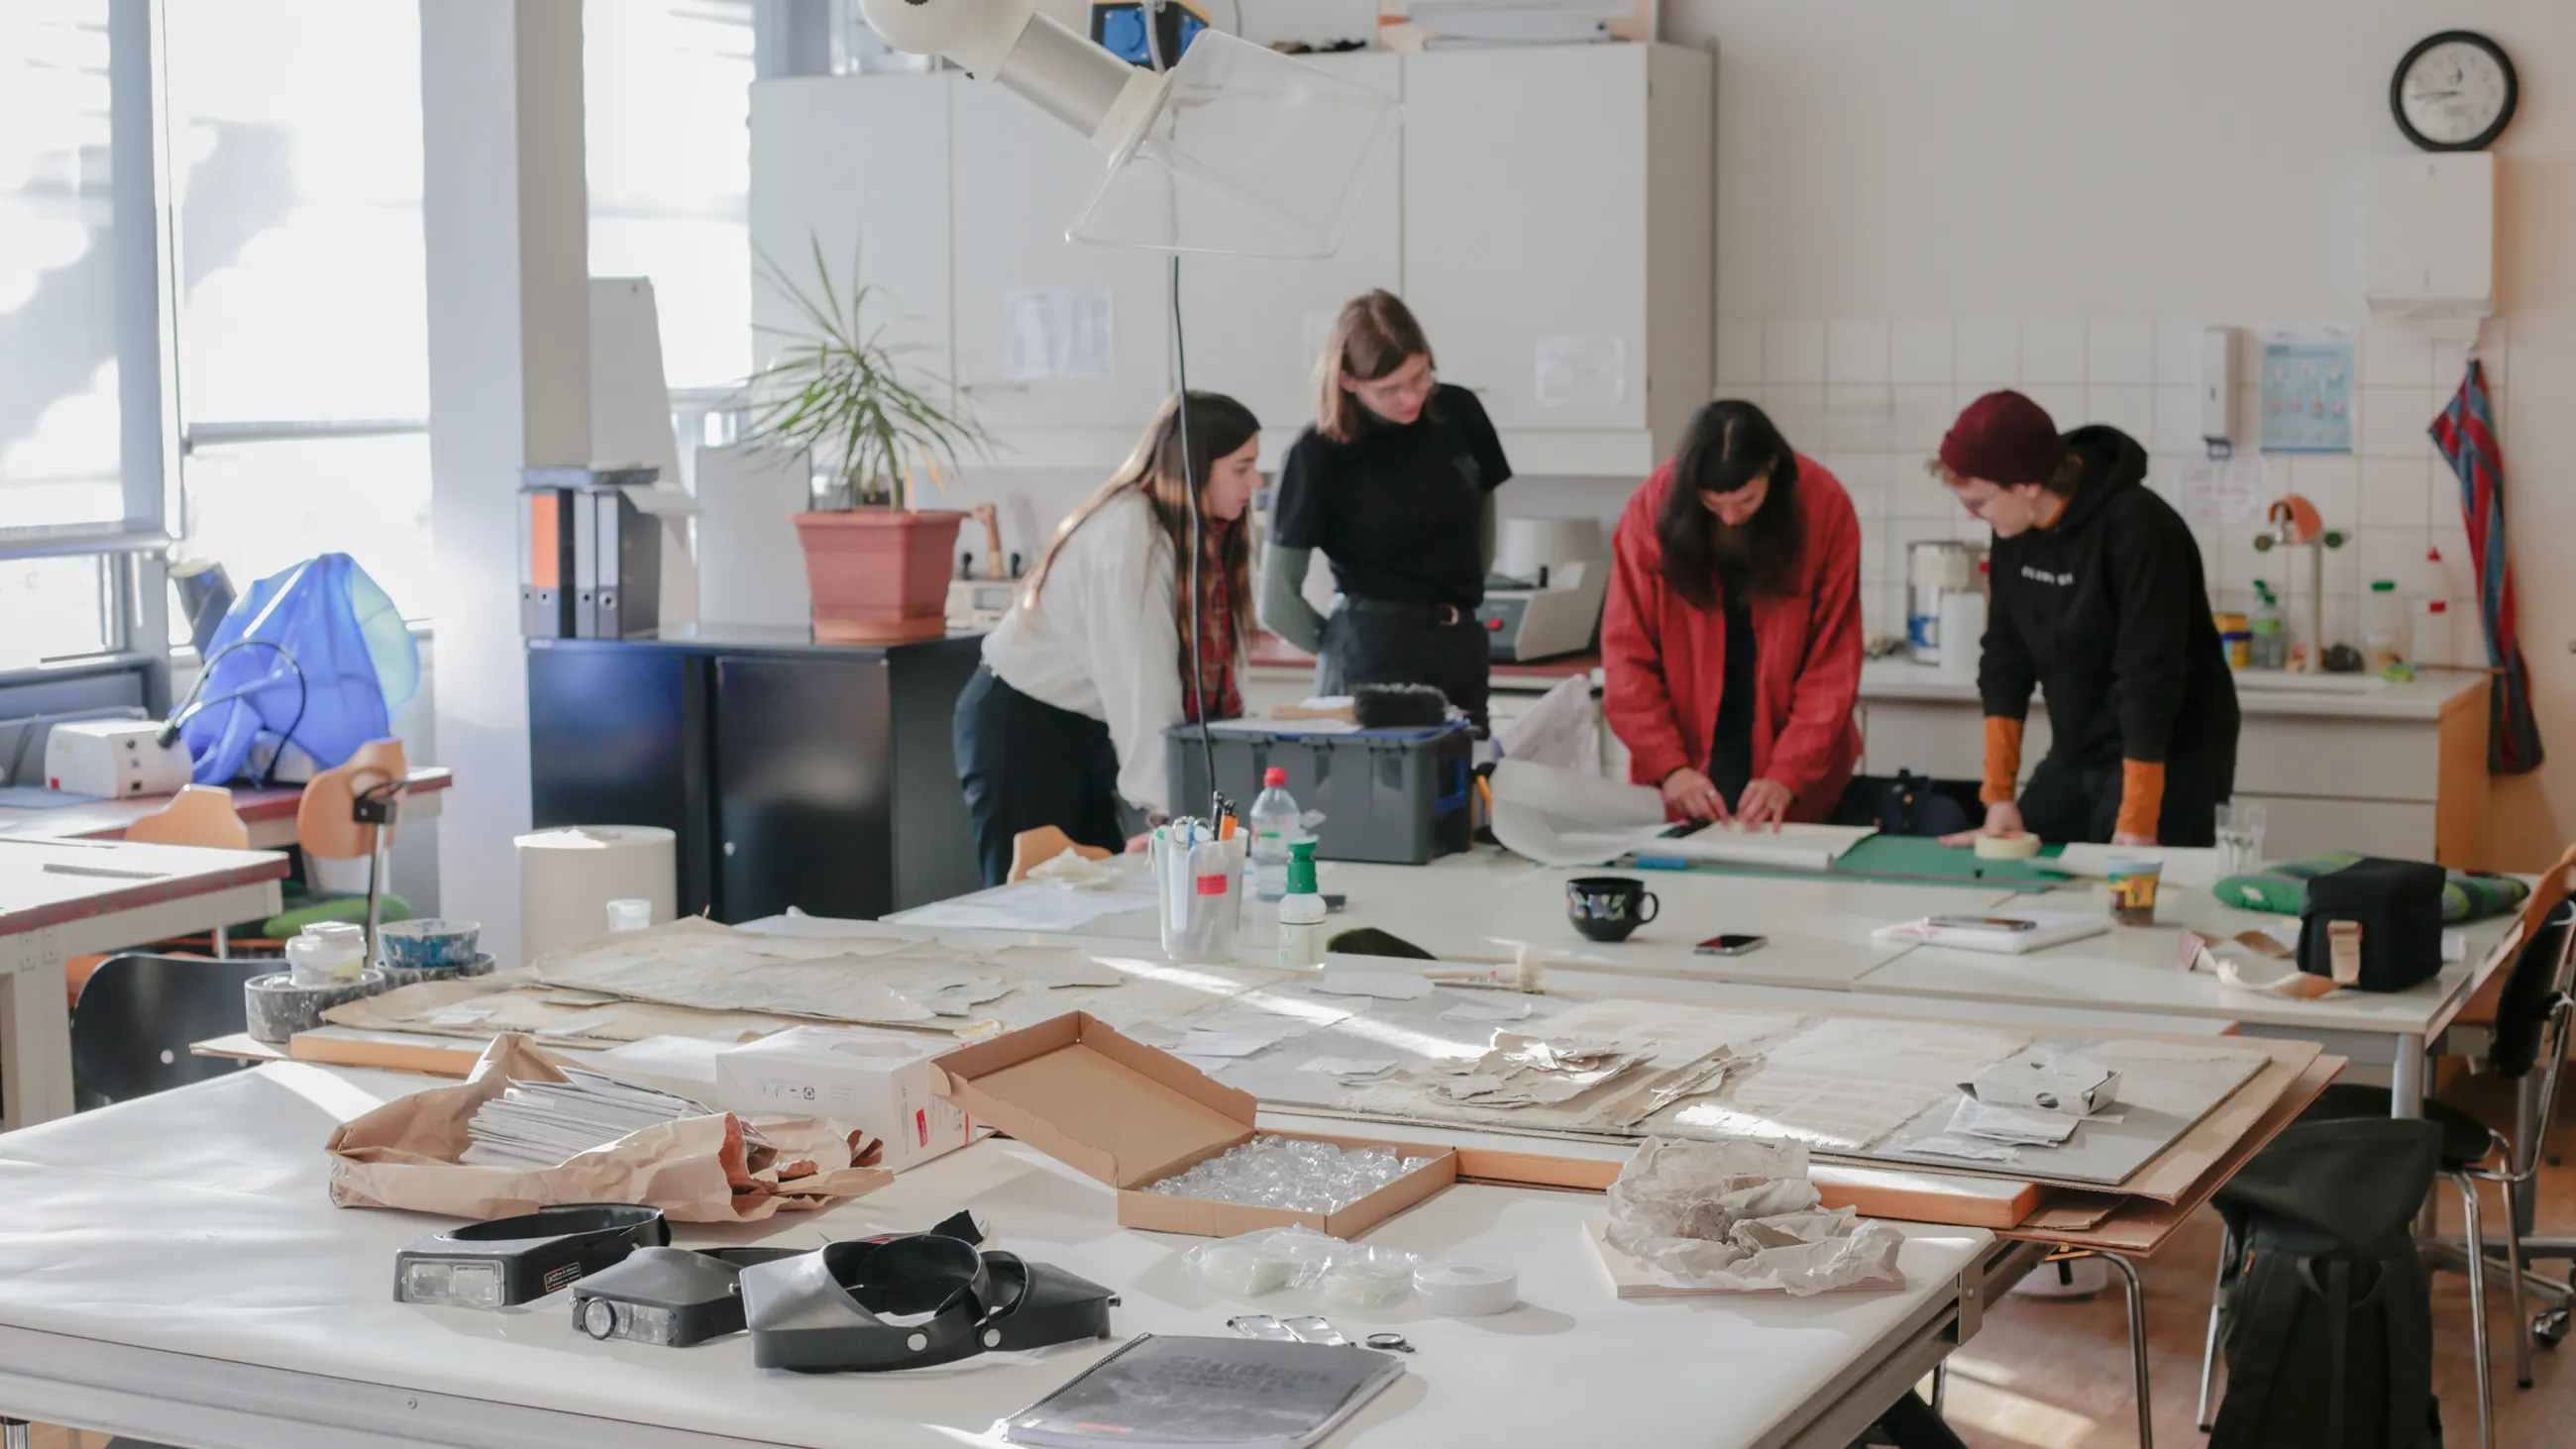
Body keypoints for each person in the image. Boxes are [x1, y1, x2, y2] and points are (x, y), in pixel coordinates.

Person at [953, 392, 1262, 885]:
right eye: (1242, 468)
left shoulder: (1201, 532)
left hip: (1084, 726)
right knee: (1027, 910)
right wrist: (1172, 818)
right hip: (1022, 724)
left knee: (1105, 893)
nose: (1256, 482)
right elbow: (1141, 681)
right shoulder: (1131, 535)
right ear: (1196, 466)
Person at [1931, 389, 2239, 848]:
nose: (1974, 516)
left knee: (2128, 899)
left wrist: (2136, 820)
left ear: (2027, 485)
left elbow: (2148, 678)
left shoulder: (2140, 529)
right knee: (2021, 857)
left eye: (1978, 503)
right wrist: (1998, 798)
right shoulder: (2014, 530)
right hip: (2078, 751)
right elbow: (2004, 660)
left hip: (2169, 754)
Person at [1602, 400, 1865, 827]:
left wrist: (1787, 775)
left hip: (1796, 781)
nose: (1730, 517)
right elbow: (1627, 657)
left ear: (1773, 469)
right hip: (1684, 768)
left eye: (1746, 500)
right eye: (1712, 503)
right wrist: (1669, 766)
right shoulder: (1653, 506)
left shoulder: (1823, 505)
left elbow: (1833, 664)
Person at [1259, 290, 1512, 730]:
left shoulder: (1459, 412)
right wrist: (1345, 648)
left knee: (1465, 788)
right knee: (1383, 796)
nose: (1410, 397)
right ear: (1348, 381)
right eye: (1389, 389)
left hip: (1461, 647)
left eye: (1420, 377)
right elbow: (1278, 602)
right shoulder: (1317, 452)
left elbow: (1481, 531)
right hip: (1371, 656)